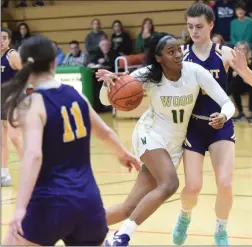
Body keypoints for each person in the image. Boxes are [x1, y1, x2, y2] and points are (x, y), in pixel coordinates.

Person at [96, 32, 236, 246]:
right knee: (170, 183)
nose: (179, 54)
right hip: (151, 134)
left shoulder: (195, 71)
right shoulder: (148, 75)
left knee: (129, 208)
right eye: (171, 52)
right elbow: (107, 100)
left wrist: (223, 115)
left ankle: (75, 225)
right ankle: (121, 237)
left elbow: (227, 103)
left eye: (179, 49)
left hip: (174, 144)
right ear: (159, 57)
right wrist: (109, 84)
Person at [2, 35, 141, 246]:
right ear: (54, 62)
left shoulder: (33, 103)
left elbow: (33, 155)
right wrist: (123, 153)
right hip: (88, 201)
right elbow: (105, 132)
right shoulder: (76, 95)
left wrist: (20, 207)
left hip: (50, 202)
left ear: (24, 64)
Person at [172, 3, 252, 246]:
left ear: (211, 25)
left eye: (199, 26)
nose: (194, 31)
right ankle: (185, 215)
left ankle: (221, 230)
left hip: (221, 124)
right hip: (193, 126)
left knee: (225, 182)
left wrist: (243, 70)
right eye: (190, 26)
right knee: (193, 187)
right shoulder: (180, 54)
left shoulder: (224, 53)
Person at [1, 27, 23, 187]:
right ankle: (4, 174)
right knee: (1, 140)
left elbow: (29, 75)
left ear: (9, 40)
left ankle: (33, 170)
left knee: (15, 138)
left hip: (13, 100)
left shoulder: (12, 55)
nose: (1, 41)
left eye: (4, 38)